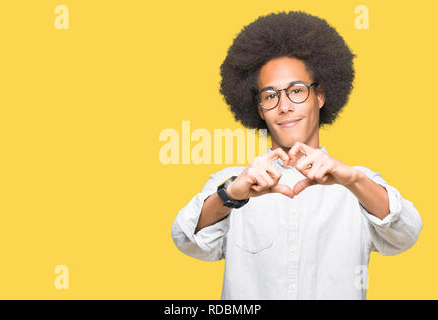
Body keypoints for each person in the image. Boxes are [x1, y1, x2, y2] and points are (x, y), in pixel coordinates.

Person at [171, 11, 422, 300]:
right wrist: (233, 194)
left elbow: (406, 234)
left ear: (320, 96)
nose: (284, 106)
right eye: (270, 95)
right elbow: (185, 239)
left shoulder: (358, 185)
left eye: (297, 91)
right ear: (259, 108)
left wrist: (353, 180)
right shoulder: (230, 184)